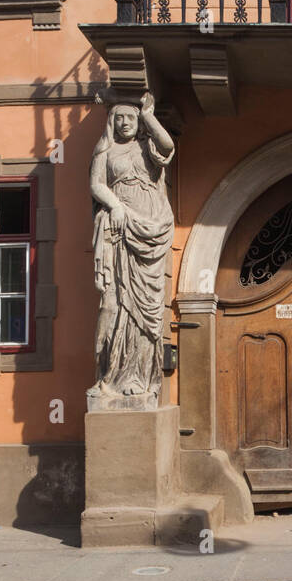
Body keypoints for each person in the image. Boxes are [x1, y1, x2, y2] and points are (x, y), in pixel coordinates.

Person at [88, 92, 175, 407]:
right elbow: (97, 184)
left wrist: (150, 115)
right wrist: (115, 205)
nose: (125, 123)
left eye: (131, 117)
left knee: (148, 306)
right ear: (112, 121)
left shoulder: (146, 146)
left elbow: (166, 146)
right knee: (119, 303)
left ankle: (140, 377)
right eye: (119, 117)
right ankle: (116, 376)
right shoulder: (106, 149)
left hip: (151, 224)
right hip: (121, 226)